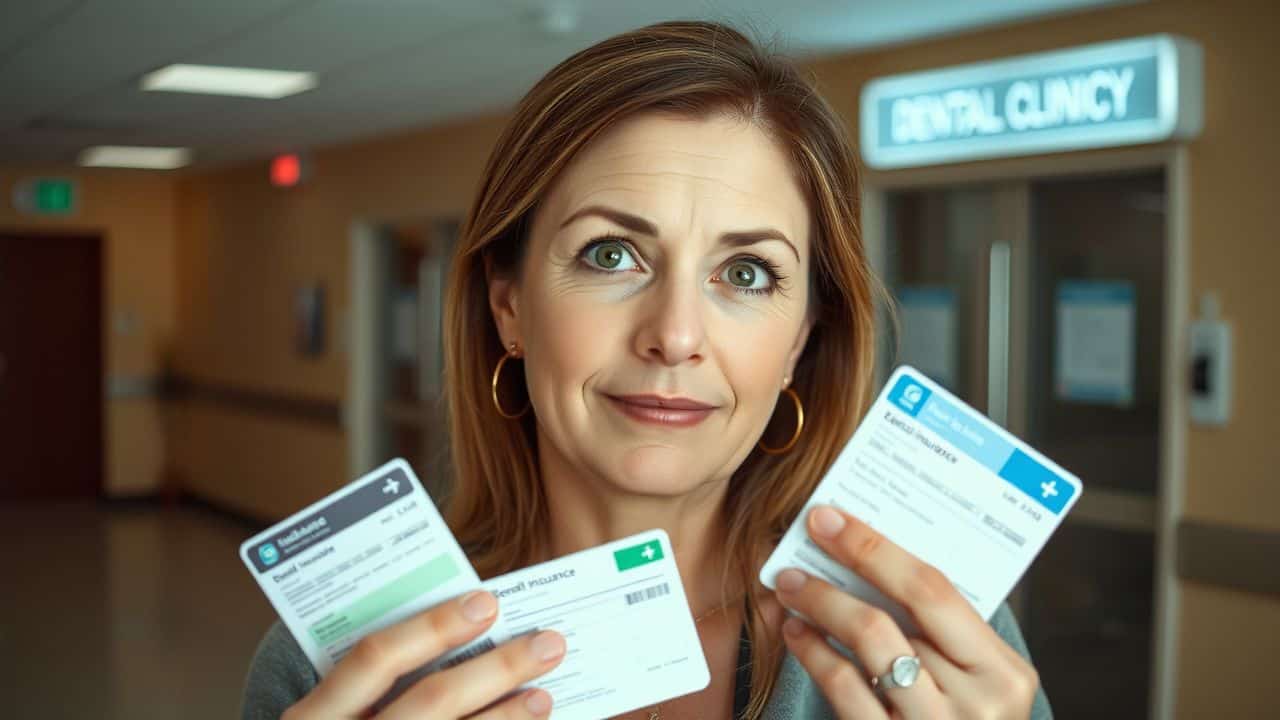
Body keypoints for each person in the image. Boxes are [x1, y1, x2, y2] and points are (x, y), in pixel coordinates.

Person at [243, 20, 1052, 720]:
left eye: (745, 274)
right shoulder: (341, 663)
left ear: (802, 340)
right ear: (509, 306)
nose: (674, 335)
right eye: (611, 254)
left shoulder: (923, 636)